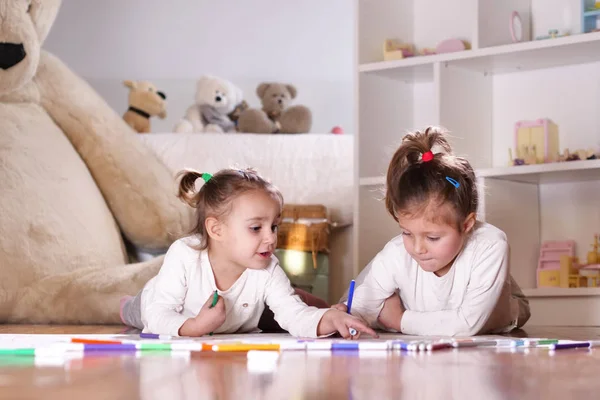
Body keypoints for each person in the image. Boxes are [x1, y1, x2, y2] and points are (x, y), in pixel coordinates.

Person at [120, 167, 377, 339]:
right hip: (157, 302)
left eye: (274, 226)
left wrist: (329, 319)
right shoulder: (185, 254)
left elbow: (294, 314)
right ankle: (121, 306)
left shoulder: (267, 267)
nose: (271, 238)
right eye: (256, 228)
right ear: (216, 229)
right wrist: (194, 327)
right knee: (135, 311)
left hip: (235, 319)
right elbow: (157, 315)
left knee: (294, 304)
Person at [334, 127, 530, 336]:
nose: (418, 248)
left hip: (500, 312)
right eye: (407, 233)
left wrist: (400, 320)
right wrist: (345, 313)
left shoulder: (489, 245)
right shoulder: (397, 252)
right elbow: (361, 305)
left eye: (432, 237)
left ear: (466, 225)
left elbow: (466, 323)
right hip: (428, 315)